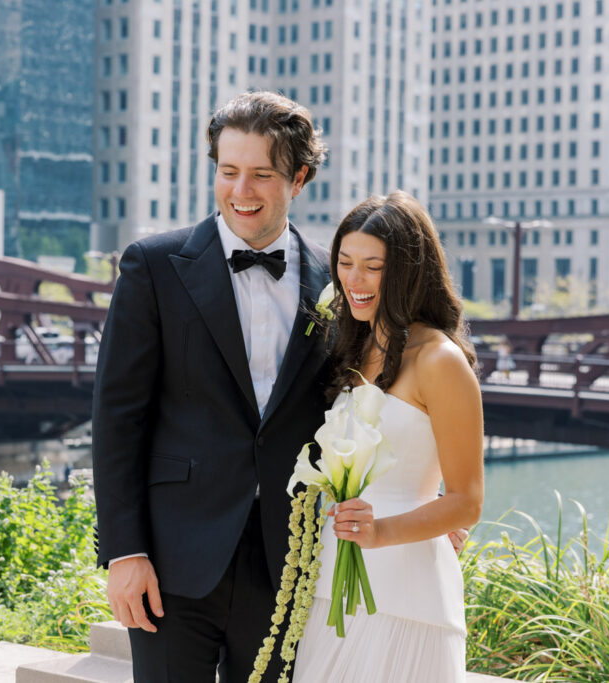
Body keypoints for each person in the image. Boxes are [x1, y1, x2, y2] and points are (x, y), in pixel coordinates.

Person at [91, 91, 331, 683]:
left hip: (289, 562)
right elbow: (118, 418)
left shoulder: (334, 280)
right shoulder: (153, 265)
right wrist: (125, 553)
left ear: (298, 178)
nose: (240, 192)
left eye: (261, 175)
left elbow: (359, 404)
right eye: (228, 172)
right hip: (173, 561)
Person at [292, 191, 485, 683]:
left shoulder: (440, 362)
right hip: (332, 585)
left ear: (408, 272)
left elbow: (466, 502)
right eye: (345, 263)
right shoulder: (349, 346)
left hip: (410, 595)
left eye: (373, 267)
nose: (353, 281)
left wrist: (381, 532)